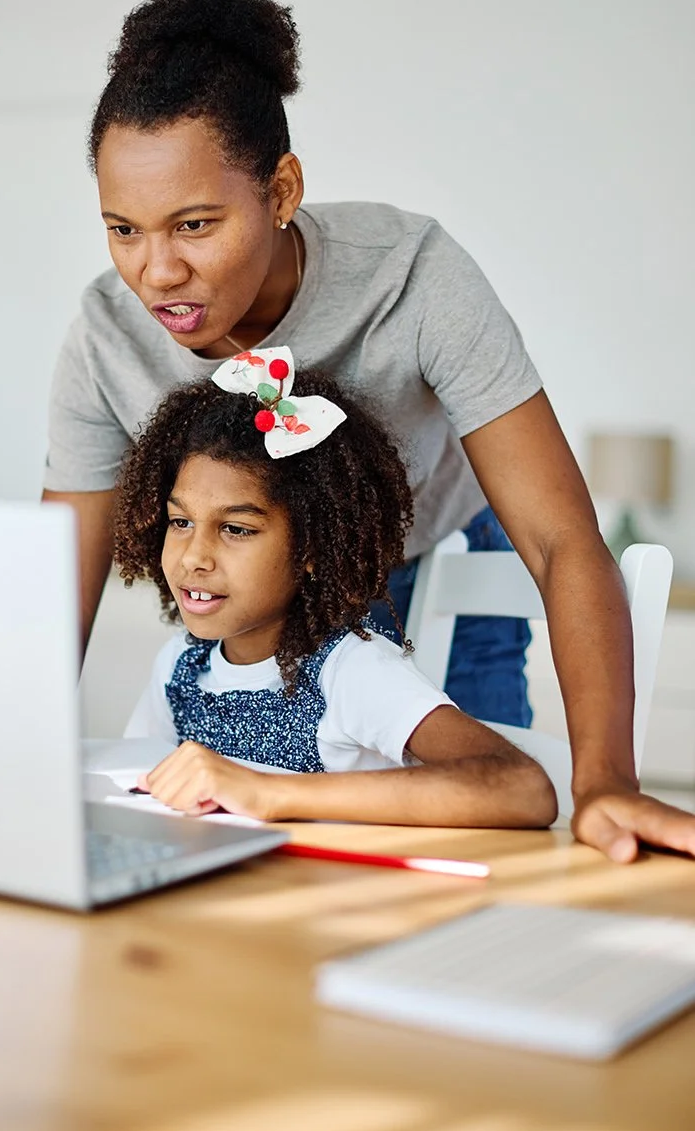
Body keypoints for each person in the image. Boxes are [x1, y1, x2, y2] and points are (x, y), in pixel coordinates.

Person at [43, 0, 695, 860]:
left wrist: (606, 782)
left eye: (194, 224)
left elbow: (560, 539)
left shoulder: (413, 275)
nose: (156, 272)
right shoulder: (105, 335)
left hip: (440, 553)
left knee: (477, 852)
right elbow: (48, 587)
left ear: (279, 191)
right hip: (264, 592)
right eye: (123, 228)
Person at [113, 347, 557, 826]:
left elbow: (524, 787)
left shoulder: (351, 671)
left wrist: (268, 792)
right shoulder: (178, 666)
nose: (194, 557)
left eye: (236, 529)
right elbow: (134, 788)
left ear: (310, 548)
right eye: (180, 522)